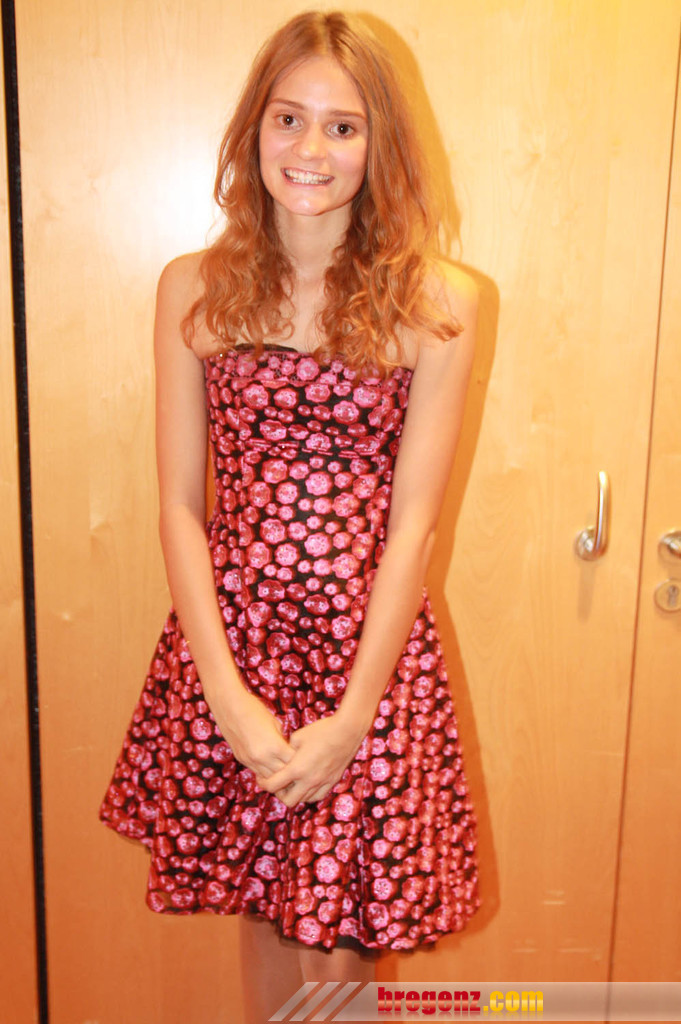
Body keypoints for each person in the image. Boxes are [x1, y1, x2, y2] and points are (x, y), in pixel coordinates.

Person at [100, 10, 480, 1022]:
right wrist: (226, 697)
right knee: (266, 908)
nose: (311, 147)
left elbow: (415, 528)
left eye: (343, 126)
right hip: (235, 648)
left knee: (342, 939)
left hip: (370, 663)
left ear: (378, 144)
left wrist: (352, 718)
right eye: (288, 118)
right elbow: (179, 506)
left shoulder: (440, 303)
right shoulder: (192, 288)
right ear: (254, 128)